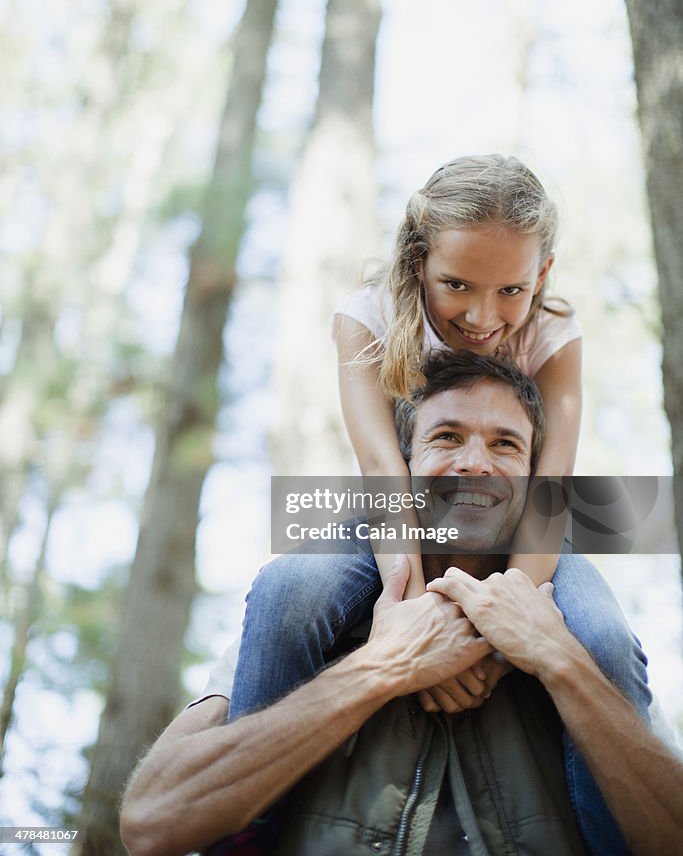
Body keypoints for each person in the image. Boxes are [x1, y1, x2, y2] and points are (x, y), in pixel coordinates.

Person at [227, 156, 650, 854]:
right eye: (456, 285)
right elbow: (378, 466)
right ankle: (248, 824)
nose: (483, 316)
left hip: (521, 524)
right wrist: (412, 616)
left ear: (541, 275)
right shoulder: (367, 317)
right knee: (289, 591)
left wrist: (509, 616)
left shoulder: (552, 332)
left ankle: (613, 838)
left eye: (510, 289)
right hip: (391, 517)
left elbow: (552, 483)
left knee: (599, 639)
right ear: (418, 259)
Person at [120, 353, 683, 856]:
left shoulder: (578, 635)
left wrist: (561, 663)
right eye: (446, 437)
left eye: (505, 444)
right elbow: (152, 824)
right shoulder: (314, 620)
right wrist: (379, 667)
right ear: (403, 468)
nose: (475, 463)